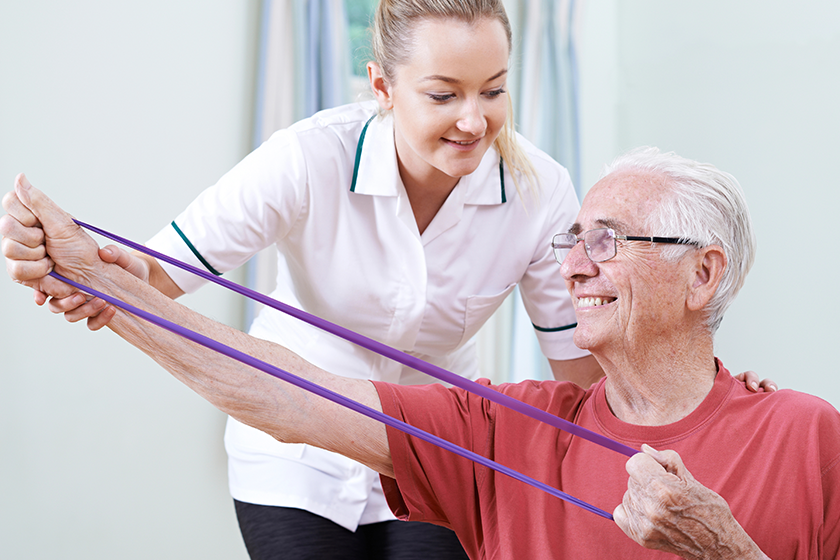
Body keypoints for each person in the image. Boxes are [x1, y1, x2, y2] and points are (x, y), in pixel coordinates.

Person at [2, 147, 825, 559]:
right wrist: (109, 293)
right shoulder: (508, 430)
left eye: (607, 242)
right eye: (574, 239)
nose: (572, 263)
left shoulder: (807, 437)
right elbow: (288, 394)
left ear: (701, 274)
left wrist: (726, 549)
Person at [8, 2, 601, 558]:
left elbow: (580, 375)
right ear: (382, 88)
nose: (474, 119)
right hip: (293, 448)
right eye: (444, 95)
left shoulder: (540, 190)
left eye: (493, 90)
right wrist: (81, 270)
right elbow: (158, 271)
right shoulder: (308, 157)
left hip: (439, 449)